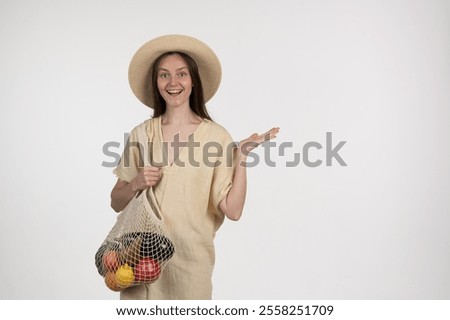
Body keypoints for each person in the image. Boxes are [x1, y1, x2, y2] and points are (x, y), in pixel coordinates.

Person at [110, 34, 279, 299]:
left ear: (193, 81)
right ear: (156, 82)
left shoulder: (217, 137)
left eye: (182, 74)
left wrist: (242, 157)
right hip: (141, 267)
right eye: (164, 75)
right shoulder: (142, 134)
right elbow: (116, 202)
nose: (173, 82)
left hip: (190, 268)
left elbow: (233, 211)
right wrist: (136, 183)